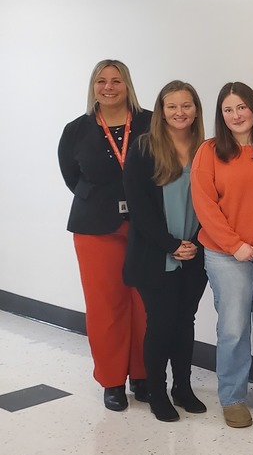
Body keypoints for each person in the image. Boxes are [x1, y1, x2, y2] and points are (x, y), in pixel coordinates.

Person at [191, 82, 253, 429]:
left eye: (242, 107)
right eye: (228, 110)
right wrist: (235, 245)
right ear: (221, 115)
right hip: (224, 254)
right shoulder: (209, 152)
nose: (236, 115)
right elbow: (205, 206)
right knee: (232, 328)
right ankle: (232, 396)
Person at [58, 60, 153, 411]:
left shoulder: (149, 122)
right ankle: (112, 380)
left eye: (116, 80)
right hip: (95, 227)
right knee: (106, 306)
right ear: (93, 86)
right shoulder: (77, 129)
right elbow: (72, 176)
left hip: (147, 226)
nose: (109, 87)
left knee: (145, 305)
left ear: (127, 85)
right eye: (102, 81)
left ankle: (144, 374)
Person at [123, 81, 208, 423]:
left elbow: (217, 201)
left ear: (196, 110)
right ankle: (157, 391)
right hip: (155, 253)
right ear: (161, 111)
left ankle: (182, 388)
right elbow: (139, 209)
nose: (179, 112)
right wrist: (172, 245)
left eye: (186, 105)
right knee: (160, 324)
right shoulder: (144, 149)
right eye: (172, 106)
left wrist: (195, 242)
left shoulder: (207, 149)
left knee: (184, 322)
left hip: (195, 251)